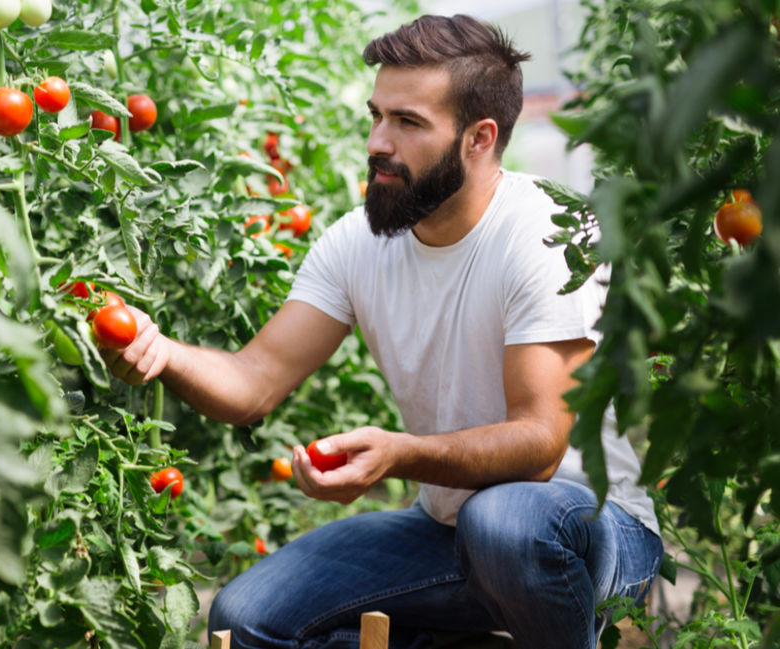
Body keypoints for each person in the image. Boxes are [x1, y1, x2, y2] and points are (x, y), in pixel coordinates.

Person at [101, 13, 663, 649]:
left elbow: (540, 445)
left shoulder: (548, 233)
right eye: (378, 115)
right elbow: (253, 383)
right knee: (247, 618)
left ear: (479, 139)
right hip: (450, 534)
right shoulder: (357, 243)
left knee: (503, 522)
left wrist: (400, 452)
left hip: (587, 531)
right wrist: (160, 351)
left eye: (408, 123)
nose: (377, 141)